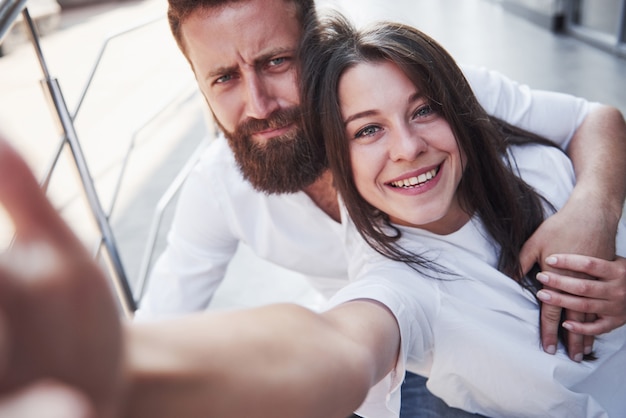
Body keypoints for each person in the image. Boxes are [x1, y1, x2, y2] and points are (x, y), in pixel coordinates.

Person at [0, 17, 625, 414]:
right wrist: (126, 369)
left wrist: (592, 217)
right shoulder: (393, 282)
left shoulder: (423, 88)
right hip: (414, 356)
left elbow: (593, 119)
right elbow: (334, 343)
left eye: (275, 61)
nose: (259, 103)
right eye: (222, 78)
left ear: (315, 47)